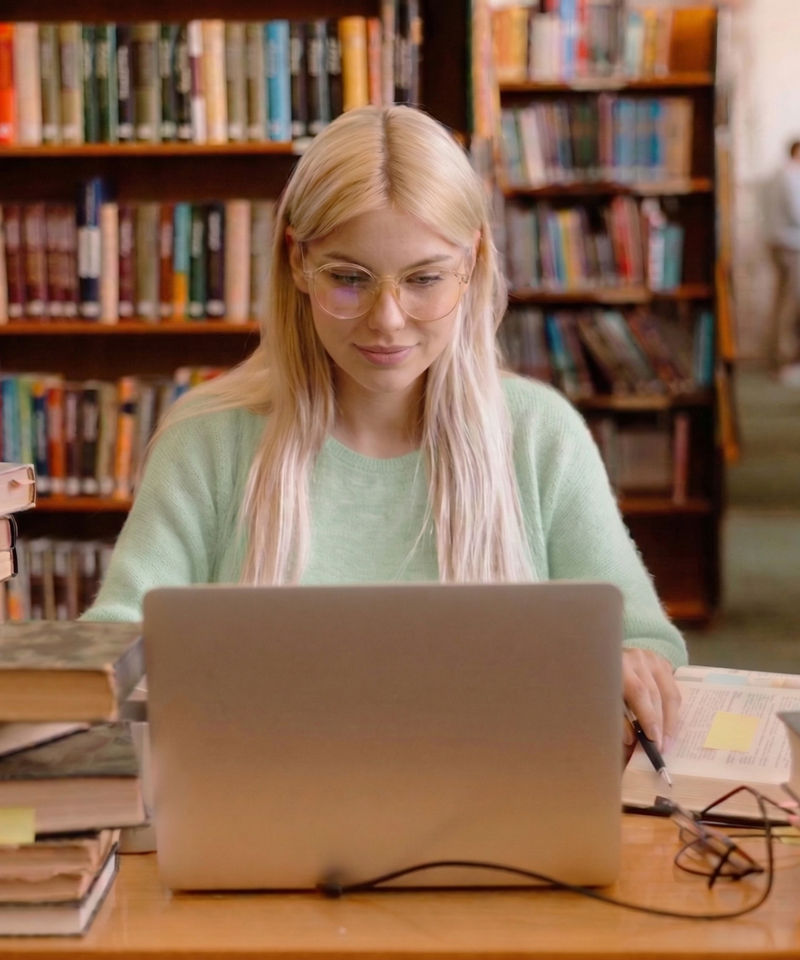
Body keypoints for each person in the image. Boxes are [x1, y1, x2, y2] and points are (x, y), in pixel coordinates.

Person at [83, 104, 686, 752]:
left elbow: (647, 643)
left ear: (473, 263)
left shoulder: (540, 435)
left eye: (424, 279)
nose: (388, 320)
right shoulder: (208, 443)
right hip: (258, 834)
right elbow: (115, 648)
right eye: (349, 279)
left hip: (492, 826)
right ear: (297, 263)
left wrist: (625, 668)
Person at [764, 139, 800, 385]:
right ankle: (786, 361)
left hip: (780, 244)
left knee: (783, 302)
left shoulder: (779, 175)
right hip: (792, 246)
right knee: (792, 304)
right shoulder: (790, 176)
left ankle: (779, 359)